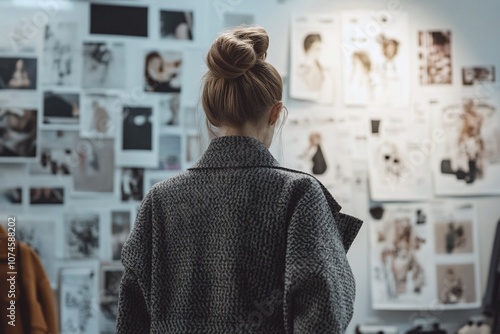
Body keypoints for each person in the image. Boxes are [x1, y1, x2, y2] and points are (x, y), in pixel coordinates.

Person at [116, 25, 362, 333]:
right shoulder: (298, 195)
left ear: (210, 115)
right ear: (275, 114)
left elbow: (130, 321)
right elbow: (324, 317)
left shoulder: (159, 201)